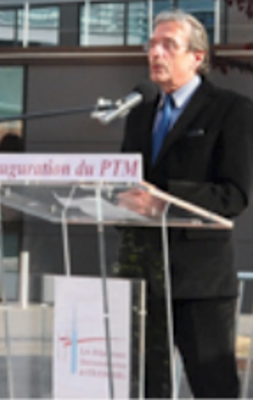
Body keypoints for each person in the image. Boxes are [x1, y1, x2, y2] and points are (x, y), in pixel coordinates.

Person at [116, 9, 253, 398]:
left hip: (200, 284)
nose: (155, 53)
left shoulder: (230, 110)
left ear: (196, 56)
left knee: (214, 390)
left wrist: (162, 202)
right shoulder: (139, 112)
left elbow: (234, 194)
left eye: (168, 45)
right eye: (152, 44)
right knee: (146, 389)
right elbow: (128, 182)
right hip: (145, 280)